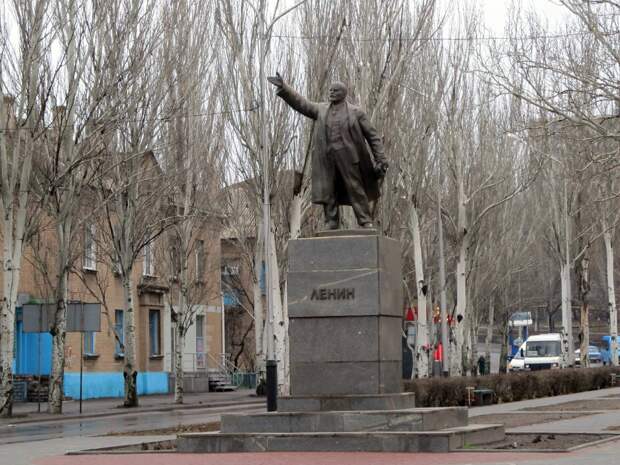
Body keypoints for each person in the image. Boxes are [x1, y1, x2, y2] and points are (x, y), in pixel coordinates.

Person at [267, 72, 388, 229]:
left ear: (343, 93)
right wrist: (284, 88)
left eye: (335, 90)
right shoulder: (321, 109)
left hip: (349, 158)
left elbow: (373, 137)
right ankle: (331, 221)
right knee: (328, 190)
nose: (331, 92)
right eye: (330, 90)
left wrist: (381, 159)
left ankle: (365, 220)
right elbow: (301, 103)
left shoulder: (356, 112)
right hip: (327, 159)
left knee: (356, 189)